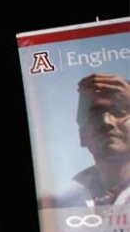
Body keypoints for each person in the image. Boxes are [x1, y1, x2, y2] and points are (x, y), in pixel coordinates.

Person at [48, 73, 130, 207]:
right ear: (82, 136)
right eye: (95, 116)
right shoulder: (59, 202)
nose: (106, 122)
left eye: (119, 113)